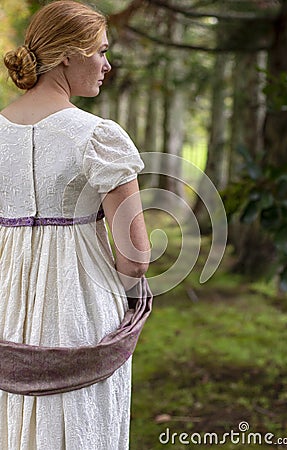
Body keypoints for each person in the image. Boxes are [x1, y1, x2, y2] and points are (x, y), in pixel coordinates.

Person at [0, 1, 151, 449]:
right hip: (79, 308)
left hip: (4, 303)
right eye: (101, 52)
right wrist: (122, 299)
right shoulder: (97, 136)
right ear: (69, 54)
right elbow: (136, 257)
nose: (107, 64)